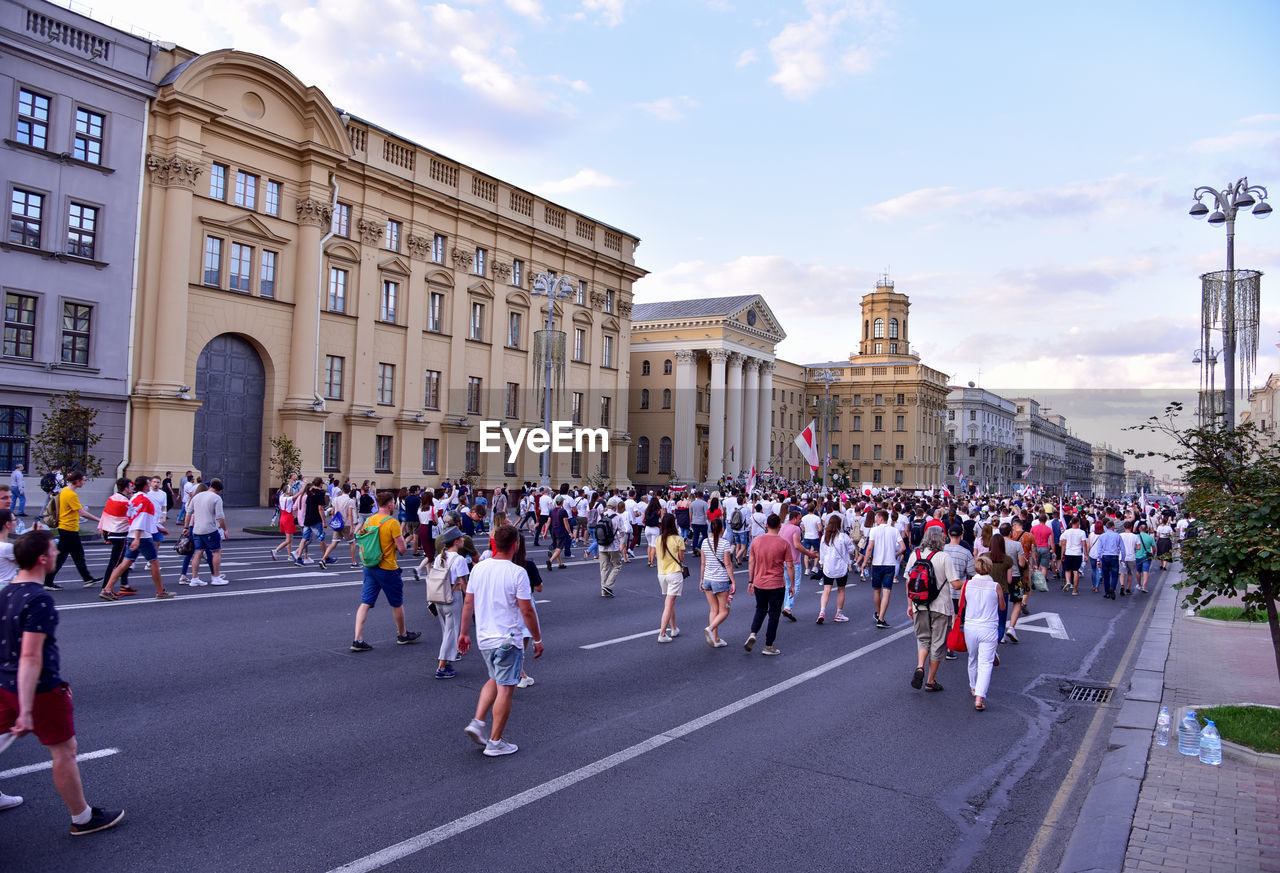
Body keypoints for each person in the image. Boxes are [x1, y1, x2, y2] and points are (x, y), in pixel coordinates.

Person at [1, 530, 125, 831]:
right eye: (54, 550)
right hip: (40, 690)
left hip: (3, 683)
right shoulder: (39, 600)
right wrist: (28, 709)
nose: (58, 553)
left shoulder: (5, 593)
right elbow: (31, 657)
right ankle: (81, 818)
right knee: (64, 751)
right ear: (42, 559)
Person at [458, 525, 542, 757]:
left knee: (494, 678)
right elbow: (527, 611)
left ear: (495, 543)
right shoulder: (517, 572)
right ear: (515, 545)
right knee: (506, 689)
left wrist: (464, 633)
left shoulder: (479, 569)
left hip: (484, 637)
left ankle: (477, 722)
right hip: (508, 638)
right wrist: (537, 638)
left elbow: (468, 603)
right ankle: (495, 742)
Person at [350, 490, 421, 652]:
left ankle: (357, 639)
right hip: (387, 567)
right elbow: (402, 549)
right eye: (393, 503)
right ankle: (402, 634)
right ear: (389, 504)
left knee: (365, 602)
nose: (394, 506)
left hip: (369, 566)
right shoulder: (392, 523)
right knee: (397, 603)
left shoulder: (369, 520)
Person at [904, 526, 961, 692]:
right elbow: (955, 584)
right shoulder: (944, 557)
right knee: (938, 643)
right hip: (941, 606)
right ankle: (930, 680)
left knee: (922, 638)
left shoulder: (915, 554)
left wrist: (909, 605)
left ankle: (920, 666)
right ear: (940, 539)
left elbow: (909, 582)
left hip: (918, 604)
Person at [101, 476, 175, 601]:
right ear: (146, 486)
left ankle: (107, 589)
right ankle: (160, 591)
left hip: (131, 534)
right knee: (154, 562)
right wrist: (138, 538)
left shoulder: (134, 498)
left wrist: (157, 527)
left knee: (124, 564)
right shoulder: (145, 500)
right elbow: (142, 520)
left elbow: (134, 516)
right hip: (142, 537)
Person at [963, 554, 1005, 712]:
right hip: (988, 627)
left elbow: (964, 604)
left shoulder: (967, 585)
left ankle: (973, 687)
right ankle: (980, 697)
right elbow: (1001, 607)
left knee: (972, 658)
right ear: (989, 568)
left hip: (971, 626)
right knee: (985, 663)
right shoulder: (995, 586)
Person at [44, 471, 99, 591]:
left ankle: (87, 578)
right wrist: (99, 520)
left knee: (76, 555)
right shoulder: (71, 495)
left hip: (66, 528)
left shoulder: (64, 490)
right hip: (69, 529)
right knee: (64, 557)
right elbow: (82, 512)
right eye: (83, 480)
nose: (84, 482)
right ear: (77, 481)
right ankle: (48, 582)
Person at [745, 513, 791, 655]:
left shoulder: (757, 541)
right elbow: (789, 566)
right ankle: (768, 645)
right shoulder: (784, 543)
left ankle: (753, 632)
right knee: (774, 614)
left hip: (759, 582)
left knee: (760, 609)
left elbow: (751, 562)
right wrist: (792, 585)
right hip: (776, 583)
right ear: (780, 526)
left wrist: (751, 580)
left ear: (766, 525)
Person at [429, 526, 469, 680]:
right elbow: (463, 583)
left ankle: (448, 661)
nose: (463, 540)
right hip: (453, 597)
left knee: (446, 630)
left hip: (439, 597)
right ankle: (442, 666)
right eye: (461, 538)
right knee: (451, 633)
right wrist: (471, 601)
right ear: (456, 541)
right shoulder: (459, 560)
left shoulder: (440, 557)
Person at [862, 509, 905, 629]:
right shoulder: (894, 530)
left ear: (881, 518)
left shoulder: (874, 530)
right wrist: (896, 555)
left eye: (876, 517)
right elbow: (903, 547)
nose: (875, 519)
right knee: (887, 592)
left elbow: (869, 548)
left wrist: (865, 562)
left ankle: (879, 612)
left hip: (877, 563)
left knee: (876, 591)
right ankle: (881, 618)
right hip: (890, 564)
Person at [186, 479, 230, 587]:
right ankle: (216, 577)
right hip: (210, 529)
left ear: (210, 486)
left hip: (197, 529)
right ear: (219, 490)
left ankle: (194, 578)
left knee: (198, 553)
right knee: (216, 551)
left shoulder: (197, 496)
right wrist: (225, 529)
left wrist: (186, 527)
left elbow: (188, 512)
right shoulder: (216, 498)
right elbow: (220, 517)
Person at [700, 516, 735, 647]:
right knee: (724, 611)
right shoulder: (725, 543)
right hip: (720, 580)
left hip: (708, 579)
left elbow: (702, 563)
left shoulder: (704, 542)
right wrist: (733, 581)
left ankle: (715, 638)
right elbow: (728, 564)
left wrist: (701, 579)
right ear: (721, 529)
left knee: (713, 609)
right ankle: (710, 628)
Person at [816, 514, 854, 624]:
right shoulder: (843, 537)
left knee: (826, 590)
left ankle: (822, 612)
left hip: (828, 567)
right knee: (841, 590)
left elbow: (822, 552)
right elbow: (851, 550)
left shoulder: (824, 537)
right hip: (841, 567)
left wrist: (821, 564)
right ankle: (839, 613)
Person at [654, 514, 685, 643]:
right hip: (674, 573)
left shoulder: (658, 539)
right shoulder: (678, 539)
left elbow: (657, 556)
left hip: (662, 574)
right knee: (668, 603)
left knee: (669, 601)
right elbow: (681, 558)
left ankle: (673, 628)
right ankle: (662, 633)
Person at [596, 497, 629, 597]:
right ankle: (608, 585)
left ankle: (603, 590)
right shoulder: (617, 517)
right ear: (615, 507)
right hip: (613, 545)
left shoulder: (600, 516)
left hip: (601, 545)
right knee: (617, 565)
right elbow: (622, 532)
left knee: (604, 568)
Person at [1059, 515, 1087, 595]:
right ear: (1078, 523)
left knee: (1067, 570)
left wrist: (1062, 554)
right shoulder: (1082, 532)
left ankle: (1068, 582)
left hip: (1068, 552)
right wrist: (1085, 554)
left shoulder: (1067, 532)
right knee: (1076, 571)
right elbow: (1084, 544)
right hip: (1077, 553)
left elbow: (1063, 543)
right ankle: (1075, 590)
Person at [544, 496, 571, 571]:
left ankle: (560, 564)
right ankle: (550, 561)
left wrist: (545, 532)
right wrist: (570, 533)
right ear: (562, 502)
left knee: (556, 547)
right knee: (560, 548)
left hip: (553, 530)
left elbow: (548, 522)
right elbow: (566, 523)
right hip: (561, 531)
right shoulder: (563, 511)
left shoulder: (552, 511)